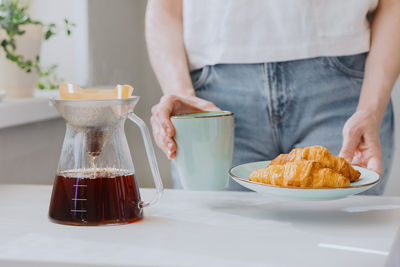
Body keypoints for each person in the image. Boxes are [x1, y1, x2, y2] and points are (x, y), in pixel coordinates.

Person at [145, 0, 400, 194]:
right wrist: (181, 94)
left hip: (345, 98)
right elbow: (165, 7)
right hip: (211, 106)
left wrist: (371, 106)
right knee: (216, 250)